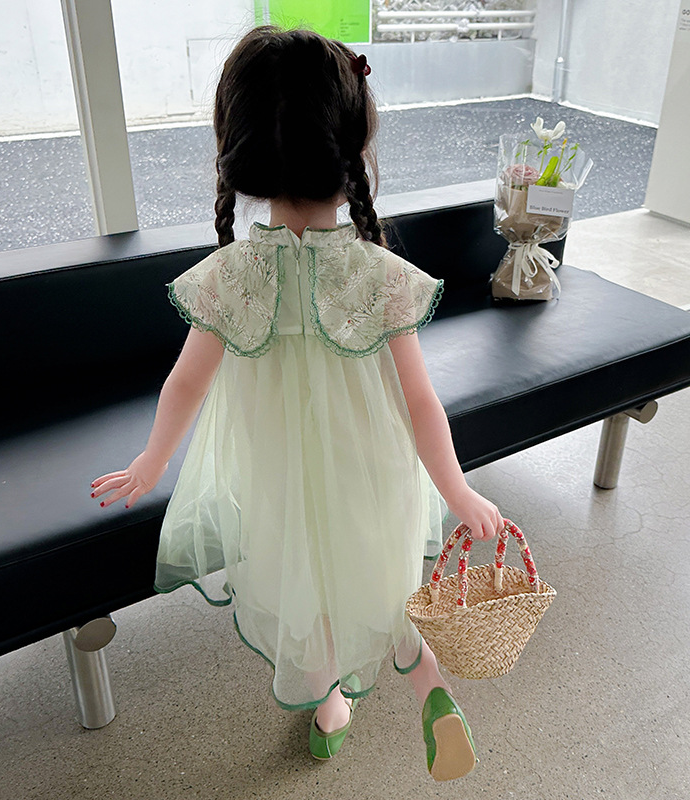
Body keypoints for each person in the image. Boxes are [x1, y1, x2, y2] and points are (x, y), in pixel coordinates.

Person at [90, 25, 504, 782]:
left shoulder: (232, 276)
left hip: (277, 477)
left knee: (303, 599)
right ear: (353, 148)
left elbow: (186, 383)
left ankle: (330, 704)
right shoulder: (378, 274)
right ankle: (430, 687)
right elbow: (421, 404)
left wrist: (152, 461)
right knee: (382, 588)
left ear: (237, 149)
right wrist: (458, 491)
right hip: (369, 474)